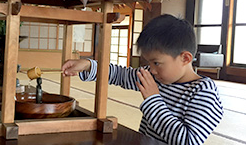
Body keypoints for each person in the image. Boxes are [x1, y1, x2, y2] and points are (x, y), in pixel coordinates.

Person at [61, 14, 223, 144]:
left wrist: (153, 99)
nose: (151, 69)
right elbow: (121, 75)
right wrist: (88, 65)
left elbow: (188, 141)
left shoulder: (203, 92)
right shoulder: (156, 75)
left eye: (157, 63)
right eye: (148, 62)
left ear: (185, 59)